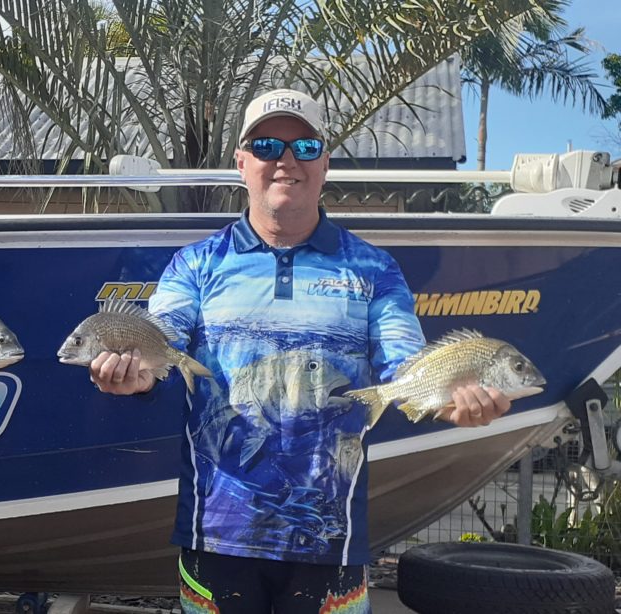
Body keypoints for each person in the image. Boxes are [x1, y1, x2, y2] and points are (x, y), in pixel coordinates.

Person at [89, 89, 512, 613]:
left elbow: (406, 368)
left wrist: (452, 401)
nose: (286, 161)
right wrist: (135, 376)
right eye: (267, 146)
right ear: (243, 162)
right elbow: (164, 349)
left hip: (331, 539)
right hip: (216, 535)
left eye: (304, 147)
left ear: (325, 163)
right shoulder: (195, 265)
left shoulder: (375, 270)